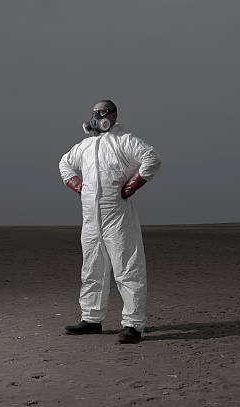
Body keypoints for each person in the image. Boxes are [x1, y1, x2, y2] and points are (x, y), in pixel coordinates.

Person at [58, 100, 161, 344]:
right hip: (91, 219)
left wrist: (132, 186)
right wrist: (78, 186)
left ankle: (133, 324)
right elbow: (64, 164)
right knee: (92, 268)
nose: (97, 116)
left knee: (127, 268)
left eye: (101, 112)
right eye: (94, 112)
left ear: (113, 116)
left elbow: (151, 158)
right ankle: (91, 318)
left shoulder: (124, 141)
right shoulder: (85, 146)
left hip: (117, 216)